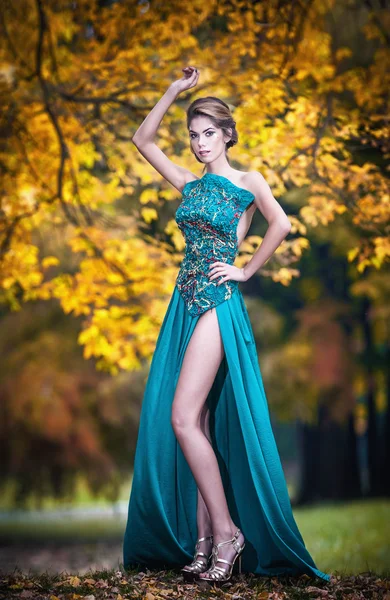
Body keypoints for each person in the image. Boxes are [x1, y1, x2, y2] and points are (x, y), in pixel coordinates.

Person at [123, 66, 332, 585]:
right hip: (183, 304)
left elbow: (281, 223)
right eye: (193, 135)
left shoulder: (246, 183)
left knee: (181, 418)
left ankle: (227, 532)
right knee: (202, 425)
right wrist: (174, 90)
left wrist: (244, 269)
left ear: (227, 134)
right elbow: (141, 139)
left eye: (207, 133)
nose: (198, 143)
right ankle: (203, 542)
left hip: (218, 302)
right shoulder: (188, 183)